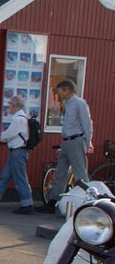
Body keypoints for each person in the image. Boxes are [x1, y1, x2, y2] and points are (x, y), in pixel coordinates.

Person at [38, 80, 93, 212]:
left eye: (60, 91)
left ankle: (89, 203)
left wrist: (88, 141)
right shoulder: (68, 103)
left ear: (67, 90)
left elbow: (87, 124)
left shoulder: (79, 103)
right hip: (67, 141)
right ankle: (52, 202)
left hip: (76, 140)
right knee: (60, 172)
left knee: (80, 174)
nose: (59, 94)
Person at [0, 96, 34, 214]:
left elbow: (9, 134)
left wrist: (1, 136)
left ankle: (27, 204)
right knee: (5, 176)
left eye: (10, 105)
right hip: (19, 151)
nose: (9, 107)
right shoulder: (23, 117)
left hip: (17, 151)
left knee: (19, 178)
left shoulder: (17, 119)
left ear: (14, 106)